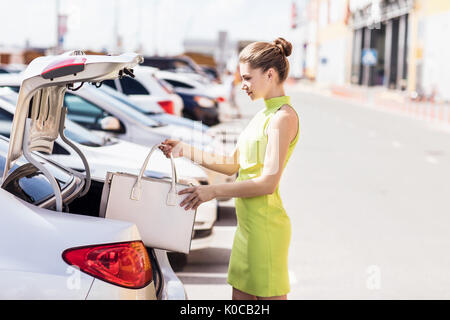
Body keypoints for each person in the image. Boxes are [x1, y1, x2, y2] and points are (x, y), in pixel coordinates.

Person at [159, 37, 300, 300]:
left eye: (247, 78)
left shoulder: (283, 117)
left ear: (270, 74)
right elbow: (232, 165)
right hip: (247, 229)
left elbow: (268, 182)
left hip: (266, 230)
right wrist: (184, 150)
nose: (242, 85)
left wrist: (212, 192)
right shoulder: (262, 115)